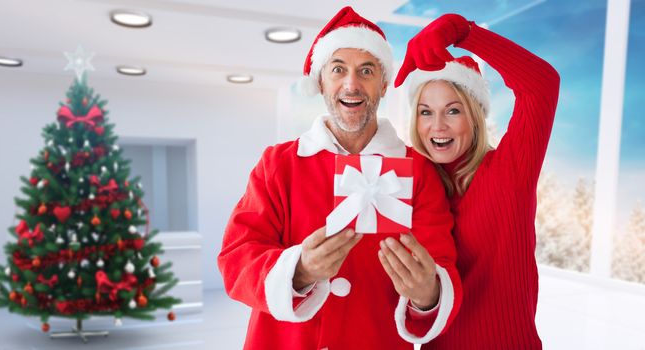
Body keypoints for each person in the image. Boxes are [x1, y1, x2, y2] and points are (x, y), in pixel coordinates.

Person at [218, 6, 463, 350]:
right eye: (338, 69)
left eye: (366, 70)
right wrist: (299, 270)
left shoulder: (419, 170)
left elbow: (443, 265)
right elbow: (236, 257)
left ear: (383, 84)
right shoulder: (278, 164)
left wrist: (428, 294)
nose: (352, 84)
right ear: (321, 80)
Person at [394, 13, 560, 349]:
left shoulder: (509, 171)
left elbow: (542, 84)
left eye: (452, 110)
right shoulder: (410, 185)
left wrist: (464, 32)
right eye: (426, 111)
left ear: (475, 115)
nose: (437, 125)